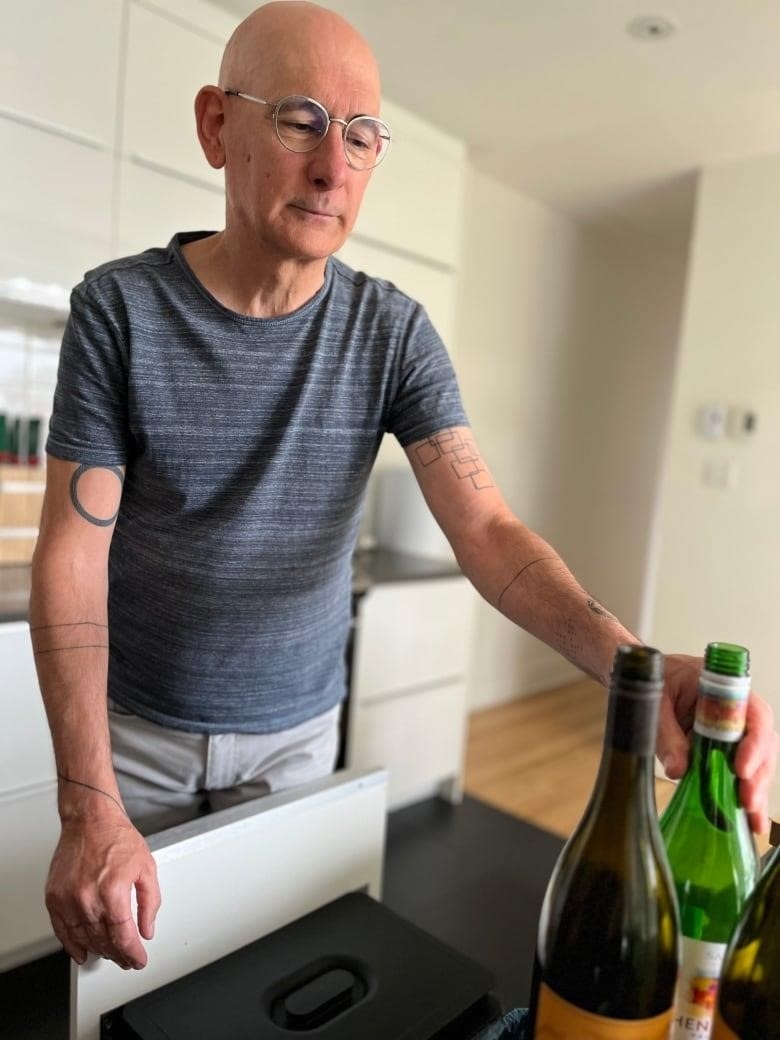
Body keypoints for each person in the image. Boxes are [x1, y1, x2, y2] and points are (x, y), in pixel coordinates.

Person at [29, 0, 778, 974]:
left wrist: (637, 667)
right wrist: (89, 799)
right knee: (127, 990)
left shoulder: (393, 332)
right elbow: (72, 554)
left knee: (269, 984)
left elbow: (490, 531)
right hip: (133, 737)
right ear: (218, 124)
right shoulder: (119, 310)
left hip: (295, 742)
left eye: (362, 134)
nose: (334, 166)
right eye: (299, 119)